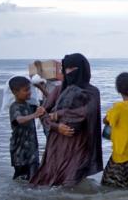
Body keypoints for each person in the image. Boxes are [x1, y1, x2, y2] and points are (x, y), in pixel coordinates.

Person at [31, 53, 103, 187]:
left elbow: (88, 112)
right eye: (66, 69)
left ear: (82, 69)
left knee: (72, 180)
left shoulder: (92, 92)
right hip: (57, 144)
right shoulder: (58, 90)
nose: (69, 72)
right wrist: (56, 127)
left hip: (80, 144)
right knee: (53, 180)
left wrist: (60, 113)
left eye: (72, 69)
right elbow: (42, 113)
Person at [8, 76, 46, 181]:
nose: (29, 92)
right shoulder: (15, 107)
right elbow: (18, 120)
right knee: (20, 179)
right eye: (25, 90)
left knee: (33, 179)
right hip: (20, 153)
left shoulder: (29, 105)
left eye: (29, 89)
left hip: (32, 150)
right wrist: (34, 115)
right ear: (15, 92)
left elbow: (46, 103)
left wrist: (41, 88)